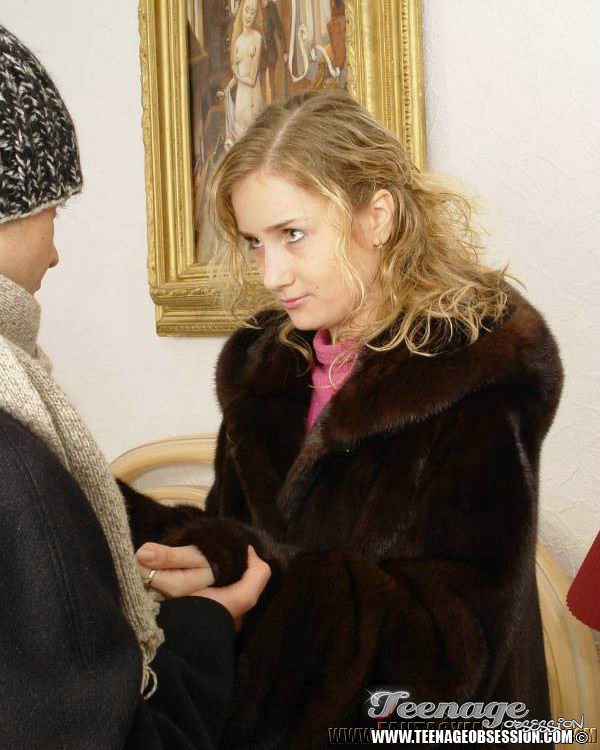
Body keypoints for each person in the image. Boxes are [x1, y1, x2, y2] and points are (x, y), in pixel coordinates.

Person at [127, 89, 564, 749]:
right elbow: (241, 535)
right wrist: (200, 546)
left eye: (292, 235)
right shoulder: (264, 366)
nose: (272, 274)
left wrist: (273, 583)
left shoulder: (476, 373)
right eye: (255, 243)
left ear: (377, 217)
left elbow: (455, 646)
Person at [0, 23, 271, 750]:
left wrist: (207, 551)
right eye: (52, 211)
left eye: (293, 234)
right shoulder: (16, 465)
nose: (56, 253)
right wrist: (210, 615)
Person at [219, 0, 264, 151]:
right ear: (241, 10)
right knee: (240, 144)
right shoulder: (237, 42)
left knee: (254, 143)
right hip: (240, 101)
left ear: (256, 14)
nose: (249, 15)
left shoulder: (257, 38)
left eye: (253, 12)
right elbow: (235, 76)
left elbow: (251, 80)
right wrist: (226, 89)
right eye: (246, 10)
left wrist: (237, 75)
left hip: (252, 100)